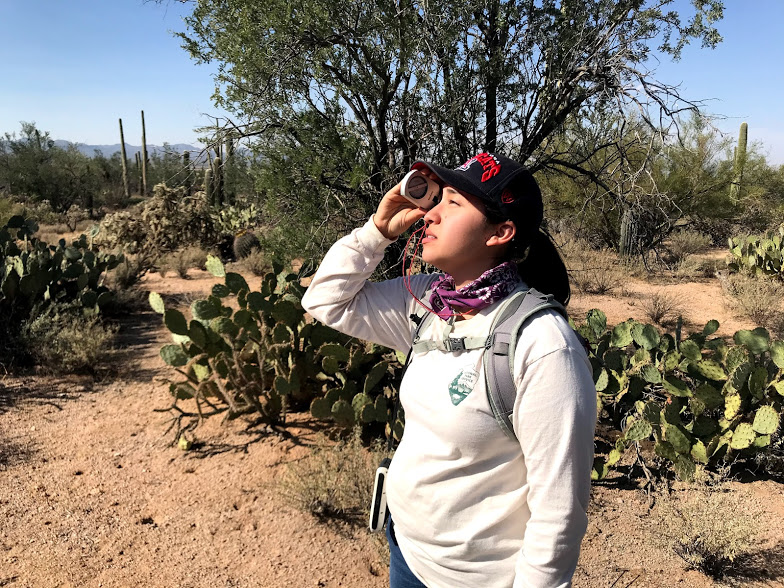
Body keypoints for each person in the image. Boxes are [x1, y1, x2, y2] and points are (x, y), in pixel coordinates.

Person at [301, 152, 596, 588]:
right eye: (437, 198)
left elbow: (558, 512)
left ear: (501, 232)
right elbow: (325, 301)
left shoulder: (543, 345)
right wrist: (376, 231)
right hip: (406, 551)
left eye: (452, 203)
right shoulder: (428, 303)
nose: (430, 214)